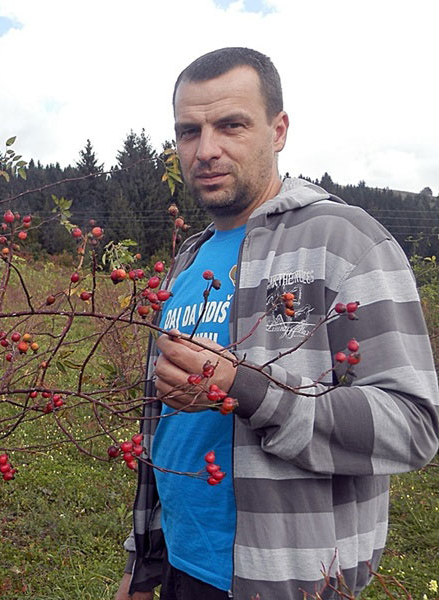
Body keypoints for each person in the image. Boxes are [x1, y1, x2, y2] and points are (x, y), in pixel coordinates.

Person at [115, 47, 439, 600]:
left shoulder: (347, 241)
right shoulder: (187, 263)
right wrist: (142, 568)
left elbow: (413, 424)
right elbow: (170, 436)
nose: (206, 150)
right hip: (179, 571)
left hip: (288, 582)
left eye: (231, 125)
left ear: (279, 129)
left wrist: (244, 388)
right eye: (189, 131)